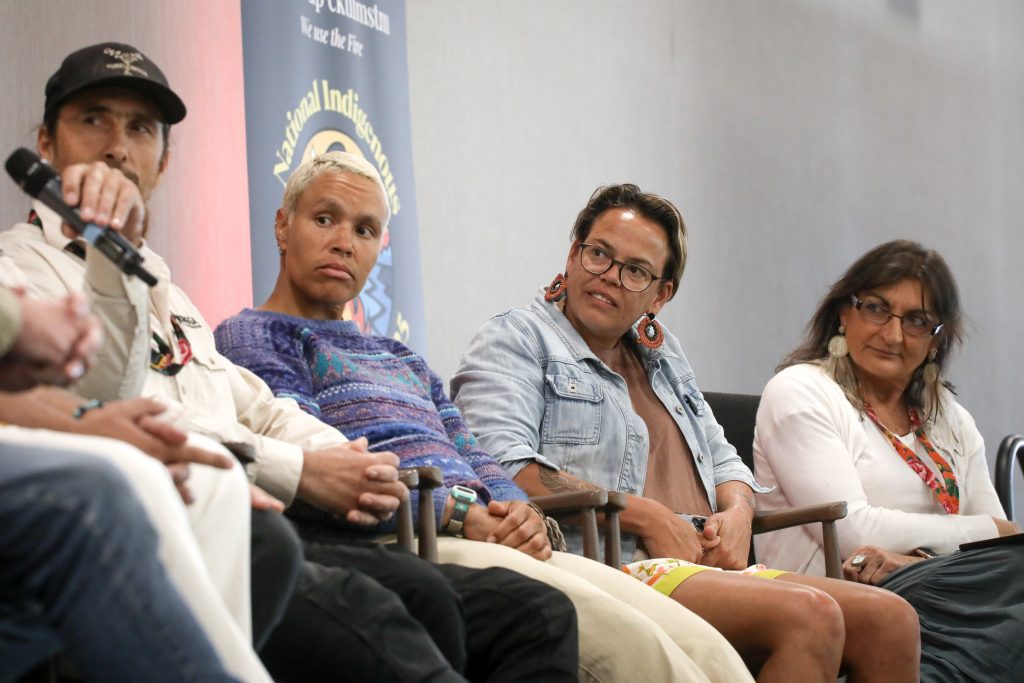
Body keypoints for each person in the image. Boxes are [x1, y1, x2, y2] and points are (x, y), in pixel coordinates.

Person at [3, 42, 580, 682]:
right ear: (47, 144)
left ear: (164, 161)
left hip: (268, 513)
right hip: (168, 521)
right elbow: (109, 410)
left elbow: (254, 404)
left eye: (140, 128)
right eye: (93, 119)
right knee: (409, 601)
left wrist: (349, 460)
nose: (117, 147)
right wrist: (305, 470)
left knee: (502, 606)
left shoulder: (163, 282)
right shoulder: (16, 273)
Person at [216, 150, 757, 683]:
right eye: (325, 219)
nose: (343, 241)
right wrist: (463, 515)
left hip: (482, 533)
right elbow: (323, 471)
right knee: (637, 652)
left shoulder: (399, 356)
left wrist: (520, 512)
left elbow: (473, 451)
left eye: (364, 230)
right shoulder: (255, 337)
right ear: (283, 227)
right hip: (405, 537)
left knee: (707, 653)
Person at [451, 184, 922, 682]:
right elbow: (501, 466)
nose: (609, 277)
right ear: (572, 254)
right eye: (598, 255)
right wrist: (645, 516)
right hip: (615, 564)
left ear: (661, 294)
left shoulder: (662, 354)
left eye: (634, 270)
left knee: (891, 619)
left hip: (706, 565)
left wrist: (739, 513)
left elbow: (725, 461)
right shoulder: (516, 339)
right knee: (809, 614)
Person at [753, 239, 1024, 681]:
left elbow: (997, 553)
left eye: (917, 321)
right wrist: (983, 531)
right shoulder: (801, 391)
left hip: (942, 593)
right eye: (876, 309)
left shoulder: (947, 416)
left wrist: (913, 561)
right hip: (841, 592)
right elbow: (853, 533)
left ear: (936, 341)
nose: (892, 334)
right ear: (845, 313)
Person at [0, 272, 245, 682]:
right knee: (103, 490)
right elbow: (101, 385)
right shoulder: (20, 259)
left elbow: (251, 403)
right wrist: (15, 320)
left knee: (214, 481)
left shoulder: (169, 287)